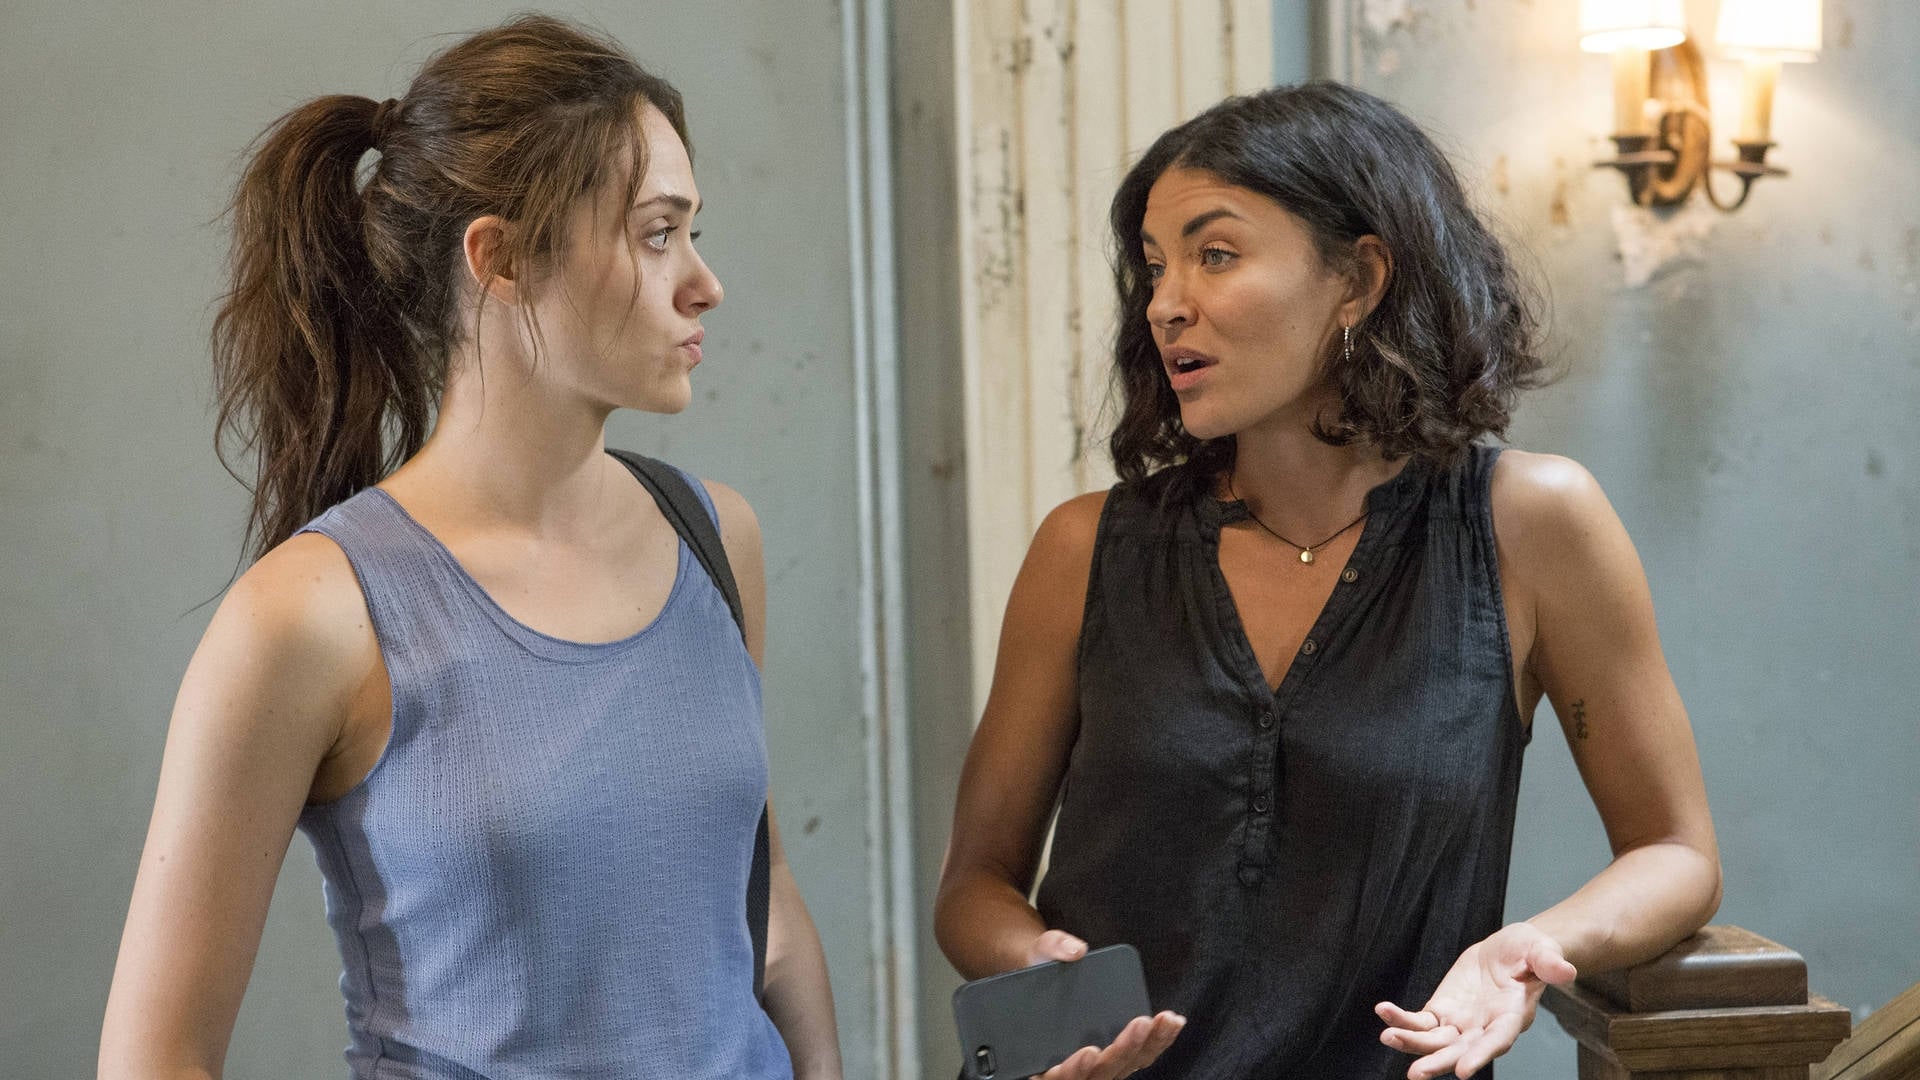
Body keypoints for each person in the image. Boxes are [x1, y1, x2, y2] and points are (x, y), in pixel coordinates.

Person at [97, 15, 841, 1079]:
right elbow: (155, 1055)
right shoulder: (311, 615)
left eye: (693, 230)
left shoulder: (716, 539)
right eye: (656, 234)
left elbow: (761, 916)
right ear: (501, 259)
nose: (703, 282)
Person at [933, 81, 1721, 1080]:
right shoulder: (1084, 548)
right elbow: (975, 885)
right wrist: (1041, 975)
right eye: (1155, 265)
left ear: (1360, 280)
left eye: (1216, 255)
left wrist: (1529, 948)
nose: (1167, 302)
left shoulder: (1531, 526)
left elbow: (1676, 853)